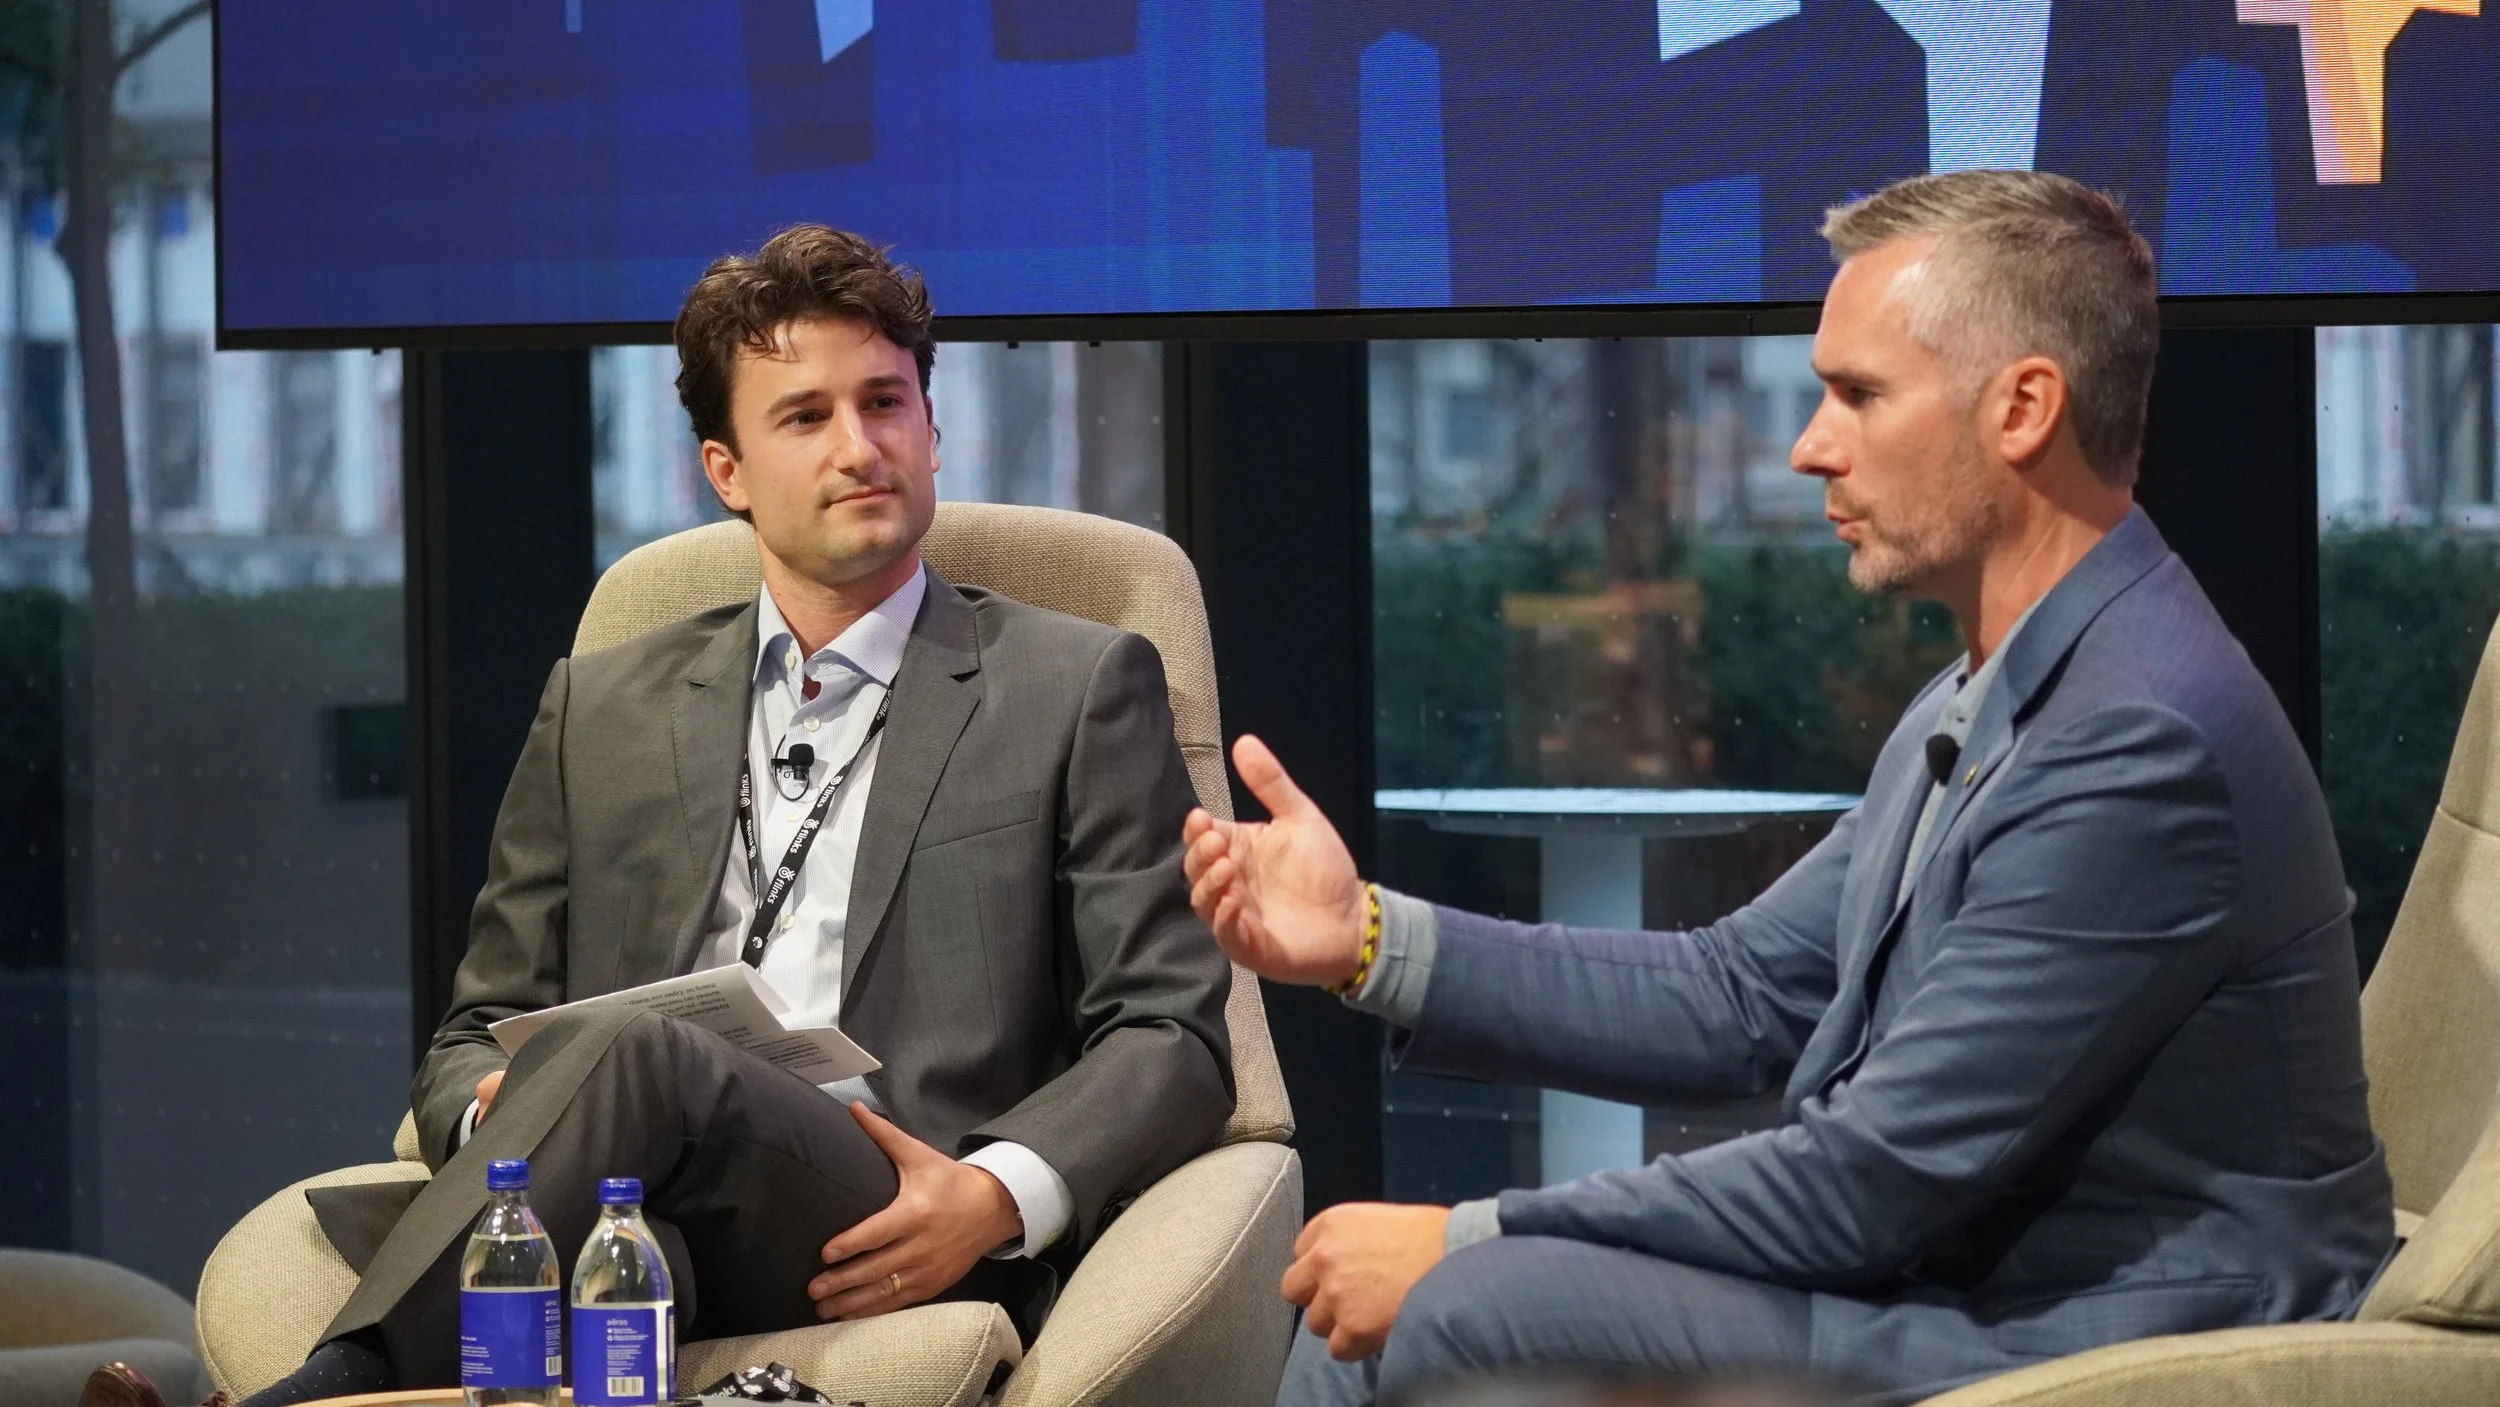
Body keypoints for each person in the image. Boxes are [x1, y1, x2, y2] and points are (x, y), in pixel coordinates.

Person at [1182, 171, 2393, 1405]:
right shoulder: (1992, 691)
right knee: (1391, 1316)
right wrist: (1364, 940)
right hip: (1961, 1277)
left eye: (1858, 395)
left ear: (2024, 407)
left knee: (1456, 1307)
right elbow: (1737, 990)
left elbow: (1868, 1183)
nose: (1810, 445)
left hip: (2098, 1331)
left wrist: (1462, 1236)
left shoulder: (2136, 742)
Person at [86, 225, 1232, 1407]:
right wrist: (500, 1102)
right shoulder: (606, 706)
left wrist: (992, 1195)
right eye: (805, 417)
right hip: (640, 1223)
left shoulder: (1075, 684)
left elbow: (1172, 1033)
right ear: (725, 472)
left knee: (626, 1053)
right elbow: (474, 1032)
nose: (861, 447)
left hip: (890, 1212)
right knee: (623, 1226)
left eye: (886, 402)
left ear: (931, 430)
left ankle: (320, 1393)